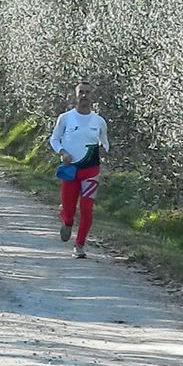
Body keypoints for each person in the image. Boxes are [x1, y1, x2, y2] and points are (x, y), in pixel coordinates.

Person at [49, 81, 110, 259]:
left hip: (91, 170)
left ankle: (80, 245)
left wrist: (104, 150)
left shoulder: (99, 121)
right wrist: (62, 152)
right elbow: (54, 139)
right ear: (75, 96)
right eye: (81, 92)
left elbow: (105, 142)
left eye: (87, 93)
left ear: (92, 97)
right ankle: (67, 221)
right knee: (68, 207)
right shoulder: (65, 118)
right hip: (70, 169)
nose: (84, 96)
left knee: (87, 208)